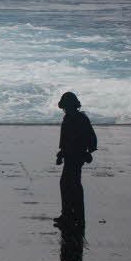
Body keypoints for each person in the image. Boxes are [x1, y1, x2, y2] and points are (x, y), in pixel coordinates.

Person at [54, 91, 96, 229]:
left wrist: (87, 152)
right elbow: (65, 140)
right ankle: (70, 214)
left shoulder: (80, 119)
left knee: (71, 185)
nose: (65, 109)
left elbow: (90, 138)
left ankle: (72, 215)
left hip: (76, 157)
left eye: (66, 106)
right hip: (70, 156)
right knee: (69, 184)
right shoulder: (69, 118)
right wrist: (61, 154)